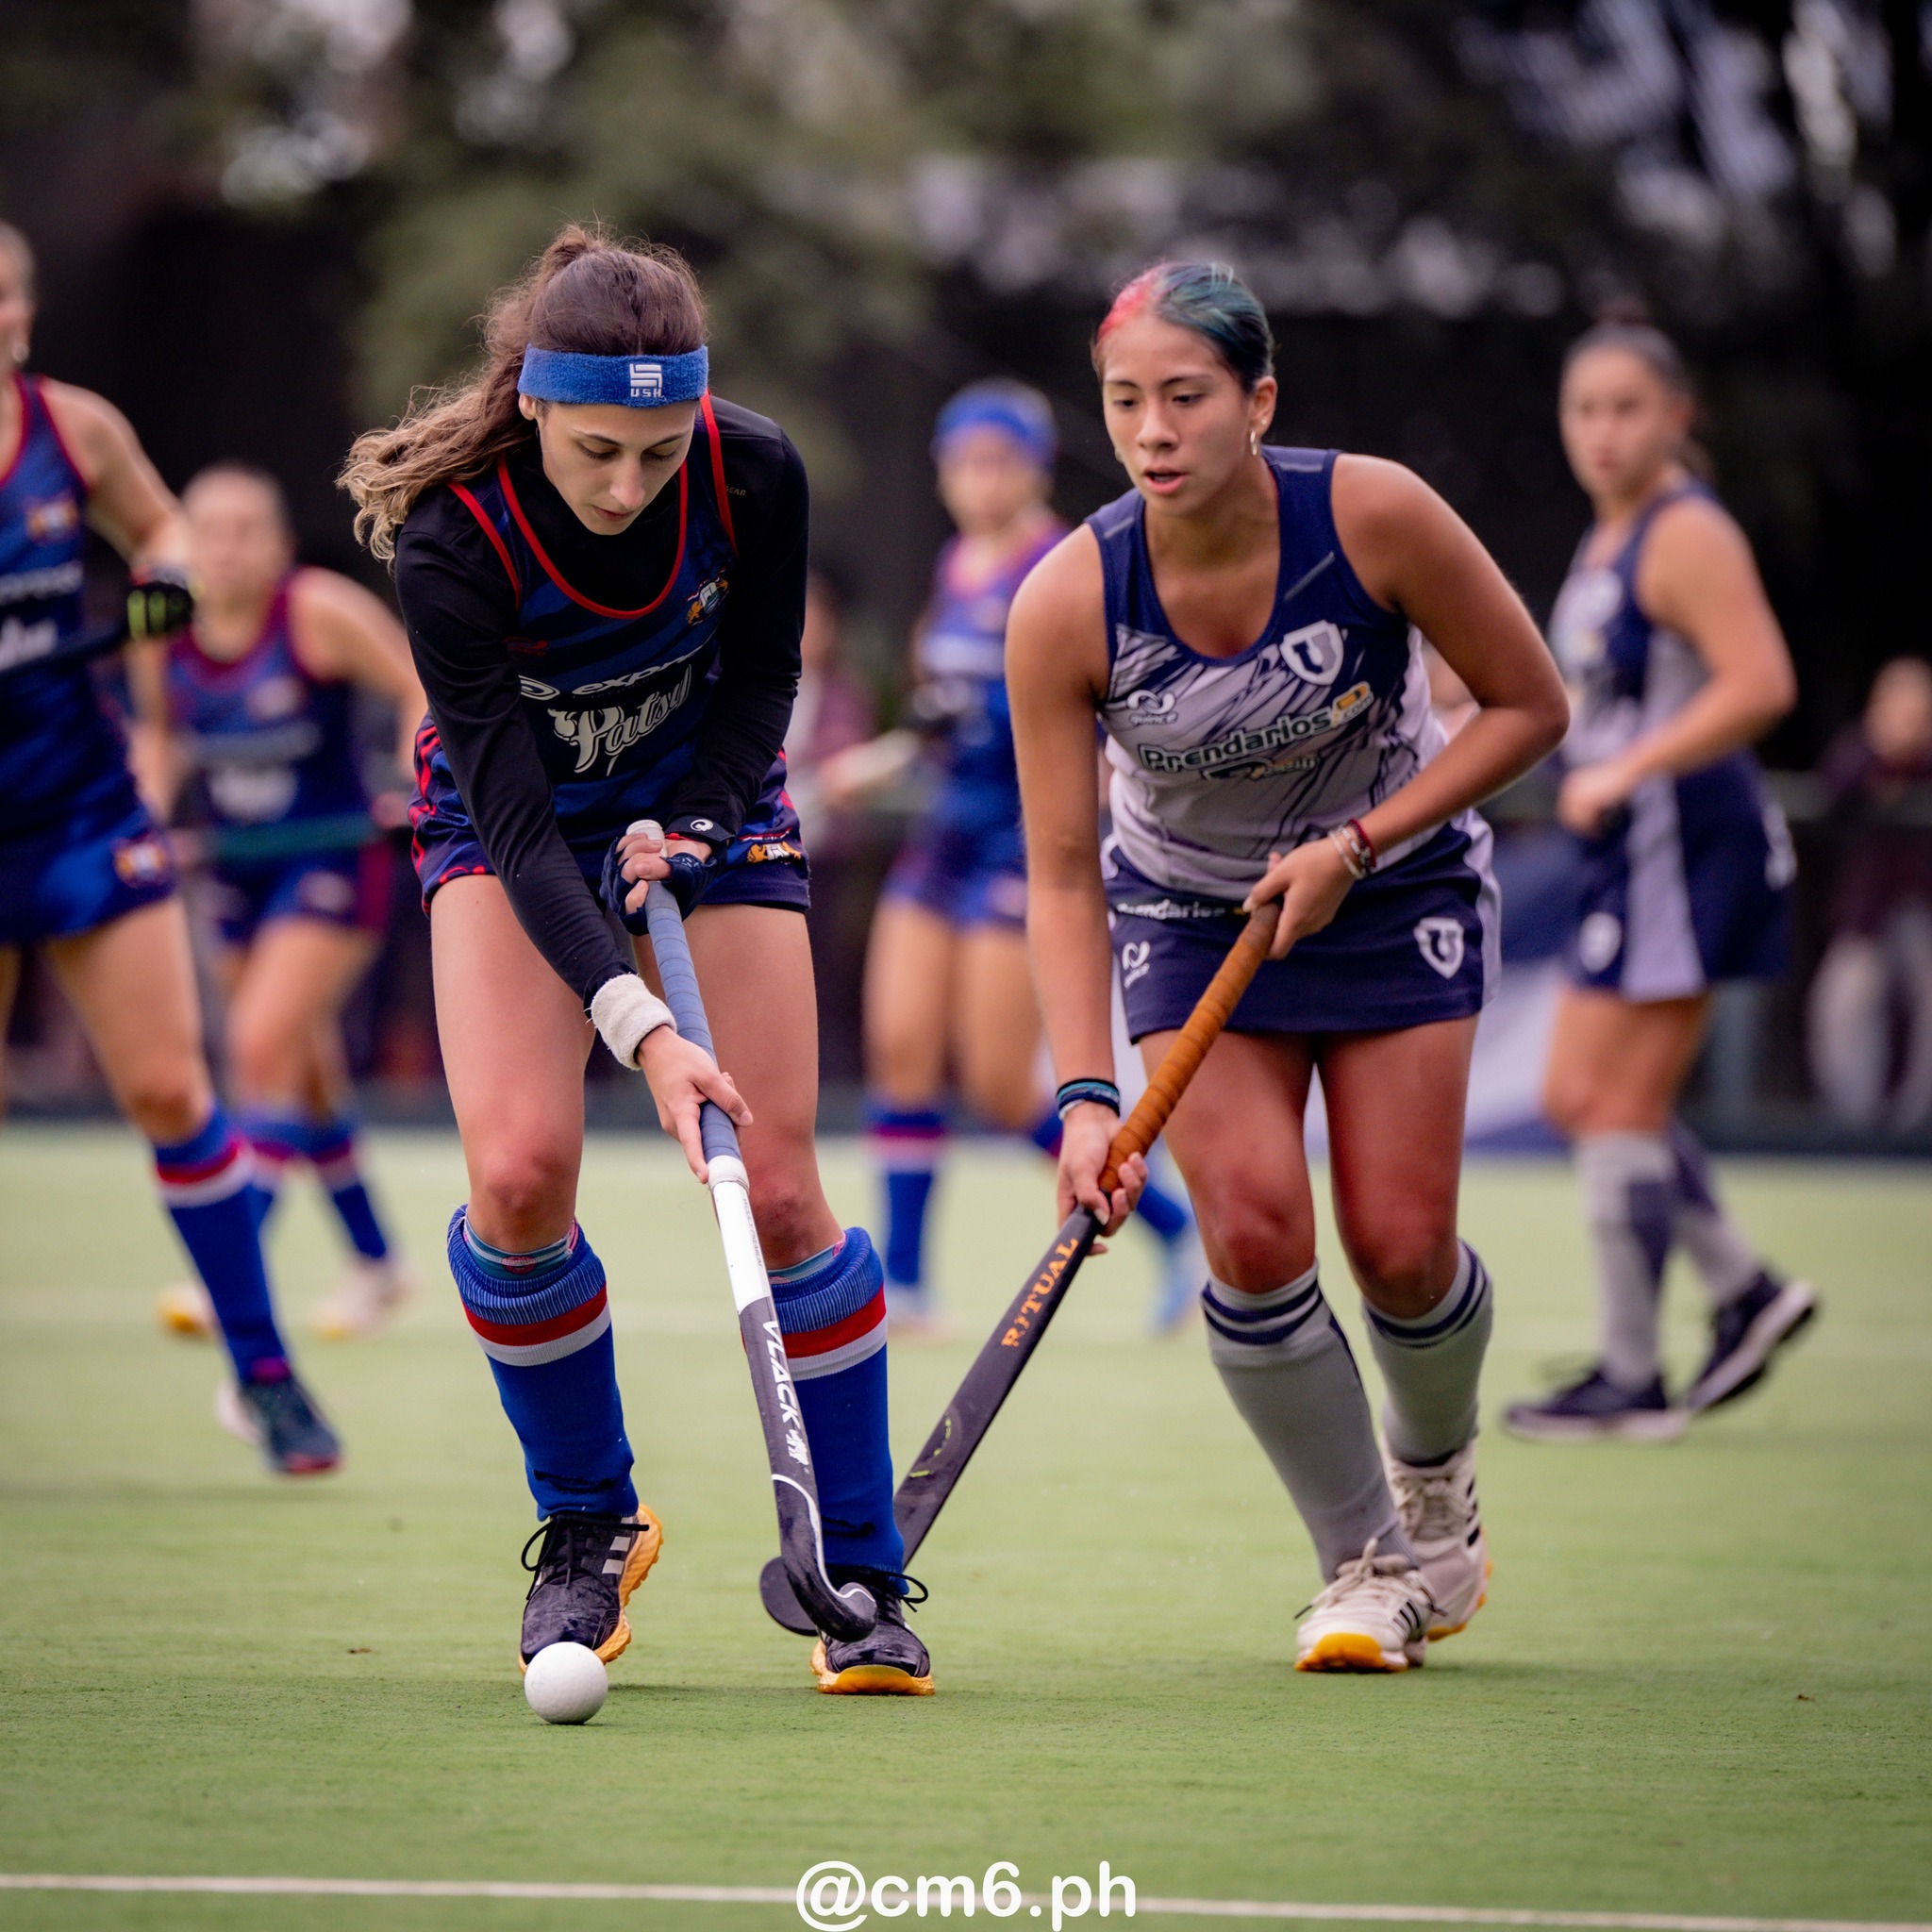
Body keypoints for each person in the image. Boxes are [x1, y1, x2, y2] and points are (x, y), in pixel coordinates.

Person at [341, 225, 932, 1693]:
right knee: (522, 1175)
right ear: (532, 401)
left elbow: (765, 678)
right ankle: (588, 1528)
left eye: (659, 456)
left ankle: (859, 1564)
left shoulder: (757, 473)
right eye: (598, 450)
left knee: (780, 1181)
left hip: (704, 803)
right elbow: (522, 830)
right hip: (512, 827)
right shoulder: (453, 542)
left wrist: (708, 817)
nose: (627, 488)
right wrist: (643, 1027)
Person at [1008, 259, 1569, 1673]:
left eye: (1185, 397)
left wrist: (1358, 847)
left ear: (1259, 400)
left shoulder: (1371, 514)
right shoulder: (1067, 601)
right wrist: (1085, 1097)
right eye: (1124, 400)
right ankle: (1366, 1562)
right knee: (1255, 1232)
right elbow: (1067, 874)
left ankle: (1438, 1482)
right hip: (1192, 925)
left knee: (1396, 1245)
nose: (1152, 430)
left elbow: (1530, 705)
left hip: (1390, 891)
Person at [0, 220, 338, 1475]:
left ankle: (267, 1376)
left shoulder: (72, 432)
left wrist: (166, 581)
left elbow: (161, 534)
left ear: (22, 314)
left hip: (83, 805)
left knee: (169, 1091)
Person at [825, 380, 1202, 1334]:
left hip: (1028, 837)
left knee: (998, 1080)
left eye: (996, 461)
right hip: (944, 830)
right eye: (960, 462)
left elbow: (1103, 699)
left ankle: (1173, 1226)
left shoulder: (1064, 565)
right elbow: (944, 714)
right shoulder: (955, 567)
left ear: (1032, 468)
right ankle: (901, 1285)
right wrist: (878, 760)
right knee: (900, 1048)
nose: (976, 481)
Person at [1506, 320, 1816, 1442]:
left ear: (1676, 416)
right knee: (1575, 1098)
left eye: (1625, 407)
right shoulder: (1608, 538)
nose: (1600, 430)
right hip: (1630, 848)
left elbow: (1759, 681)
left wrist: (1628, 766)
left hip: (1683, 842)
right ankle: (1740, 1287)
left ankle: (1633, 1377)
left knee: (1614, 1104)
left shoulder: (1683, 532)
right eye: (1582, 408)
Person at [149, 463, 425, 1342]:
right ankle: (379, 1262)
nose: (223, 547)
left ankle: (228, 1273)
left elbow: (423, 681)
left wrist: (420, 782)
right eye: (206, 529)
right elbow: (161, 736)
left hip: (334, 862)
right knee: (301, 1073)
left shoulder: (315, 611)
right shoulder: (161, 630)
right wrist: (144, 822)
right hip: (234, 870)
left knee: (259, 1049)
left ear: (274, 544)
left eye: (243, 529)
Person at [1806, 657, 1932, 1130]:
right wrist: (1878, 751)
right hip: (1868, 910)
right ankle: (1852, 1122)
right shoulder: (1860, 752)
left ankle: (1918, 1126)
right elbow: (1829, 791)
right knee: (1844, 1003)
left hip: (1923, 907)